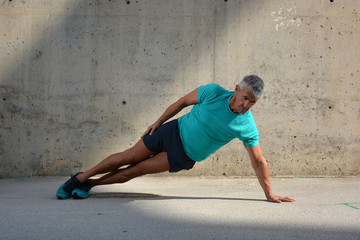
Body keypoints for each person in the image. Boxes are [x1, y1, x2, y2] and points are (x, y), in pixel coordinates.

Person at [56, 75, 295, 203]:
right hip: (171, 130)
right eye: (244, 97)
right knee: (128, 156)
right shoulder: (213, 92)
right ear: (236, 89)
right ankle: (81, 177)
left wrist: (269, 194)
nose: (246, 104)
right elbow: (182, 102)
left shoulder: (247, 126)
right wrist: (158, 122)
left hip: (184, 154)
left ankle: (91, 185)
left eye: (252, 102)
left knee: (135, 171)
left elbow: (259, 161)